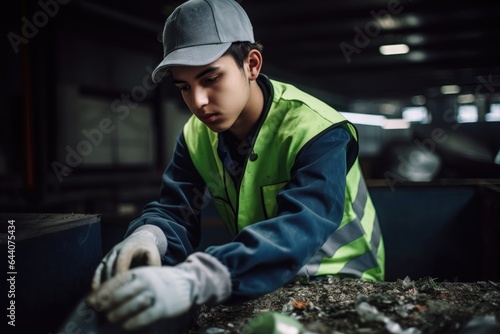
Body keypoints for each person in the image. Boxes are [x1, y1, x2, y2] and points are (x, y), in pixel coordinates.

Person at [88, 0, 385, 331]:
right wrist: (149, 235)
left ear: (252, 64)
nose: (198, 101)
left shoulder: (317, 129)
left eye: (211, 78)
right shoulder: (195, 136)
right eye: (184, 87)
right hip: (260, 278)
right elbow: (176, 210)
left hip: (342, 280)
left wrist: (197, 278)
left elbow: (302, 225)